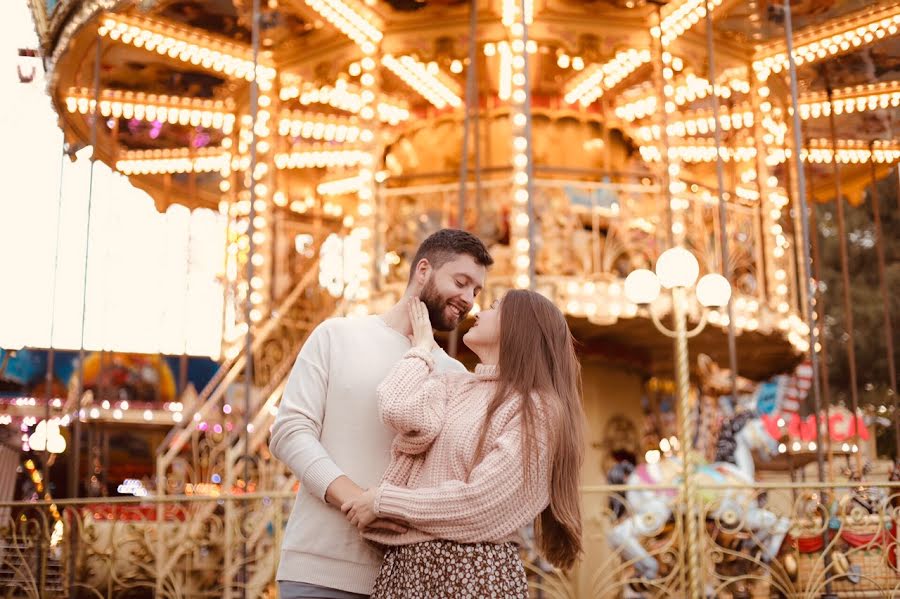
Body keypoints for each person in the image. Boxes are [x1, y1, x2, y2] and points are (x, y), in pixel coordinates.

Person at [269, 229, 493, 598]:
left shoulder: (454, 374)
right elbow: (290, 432)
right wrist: (358, 500)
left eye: (476, 291)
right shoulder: (336, 336)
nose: (468, 299)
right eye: (461, 282)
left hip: (408, 578)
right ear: (423, 270)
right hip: (318, 566)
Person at [341, 289, 586, 597]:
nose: (479, 311)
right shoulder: (454, 384)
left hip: (472, 571)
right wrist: (421, 350)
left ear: (519, 326)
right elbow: (397, 409)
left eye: (495, 307)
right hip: (407, 568)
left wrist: (384, 501)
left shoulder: (535, 408)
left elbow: (485, 503)